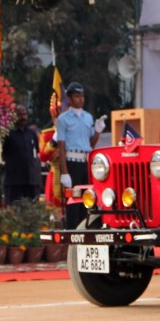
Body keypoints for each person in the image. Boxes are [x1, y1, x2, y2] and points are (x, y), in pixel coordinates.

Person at [57, 83, 104, 228]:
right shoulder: (63, 119)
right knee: (73, 203)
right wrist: (65, 173)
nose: (81, 99)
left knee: (87, 201)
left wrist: (97, 131)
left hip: (86, 162)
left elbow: (91, 144)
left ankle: (86, 231)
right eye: (77, 96)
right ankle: (73, 235)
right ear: (69, 99)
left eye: (82, 96)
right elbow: (61, 147)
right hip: (71, 162)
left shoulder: (88, 117)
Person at [2, 105, 41, 205]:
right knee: (14, 209)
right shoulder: (7, 134)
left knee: (31, 210)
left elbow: (36, 151)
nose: (23, 117)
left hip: (30, 179)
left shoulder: (31, 133)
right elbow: (3, 152)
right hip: (14, 180)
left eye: (25, 114)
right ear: (13, 116)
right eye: (20, 115)